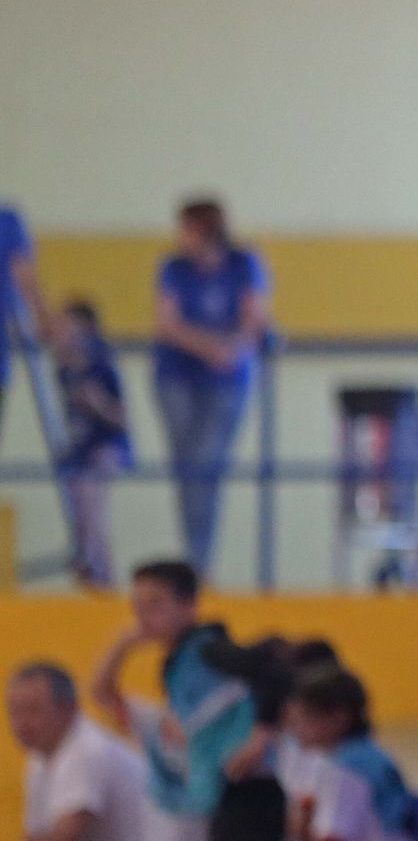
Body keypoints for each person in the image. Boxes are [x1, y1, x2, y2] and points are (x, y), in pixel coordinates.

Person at [91, 560, 256, 841]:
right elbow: (101, 693)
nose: (143, 617)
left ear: (188, 603)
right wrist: (122, 644)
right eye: (138, 608)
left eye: (154, 605)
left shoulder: (212, 655)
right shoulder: (171, 697)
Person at [152, 197, 271, 577]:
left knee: (207, 466)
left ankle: (199, 565)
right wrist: (211, 347)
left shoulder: (243, 264)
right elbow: (166, 324)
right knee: (188, 471)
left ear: (202, 232)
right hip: (177, 377)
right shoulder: (173, 267)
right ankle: (194, 562)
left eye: (185, 229)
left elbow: (255, 318)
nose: (179, 237)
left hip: (227, 381)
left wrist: (233, 349)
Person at [8, 662, 146, 841]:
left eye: (33, 710)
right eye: (14, 711)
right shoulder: (41, 757)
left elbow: (66, 835)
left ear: (68, 708)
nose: (21, 724)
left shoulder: (87, 750)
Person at [51, 300, 133, 588]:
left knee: (92, 508)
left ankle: (102, 575)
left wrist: (97, 403)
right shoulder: (64, 370)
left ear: (84, 329)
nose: (56, 330)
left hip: (105, 446)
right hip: (81, 449)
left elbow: (122, 420)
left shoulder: (101, 367)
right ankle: (91, 566)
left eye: (64, 324)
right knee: (82, 513)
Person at [283, 667, 411, 841]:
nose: (297, 728)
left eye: (307, 717)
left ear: (339, 718)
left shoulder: (353, 767)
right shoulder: (361, 756)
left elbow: (336, 836)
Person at [0, 203, 48, 445]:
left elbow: (24, 276)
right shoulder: (7, 221)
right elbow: (24, 276)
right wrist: (44, 321)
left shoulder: (7, 221)